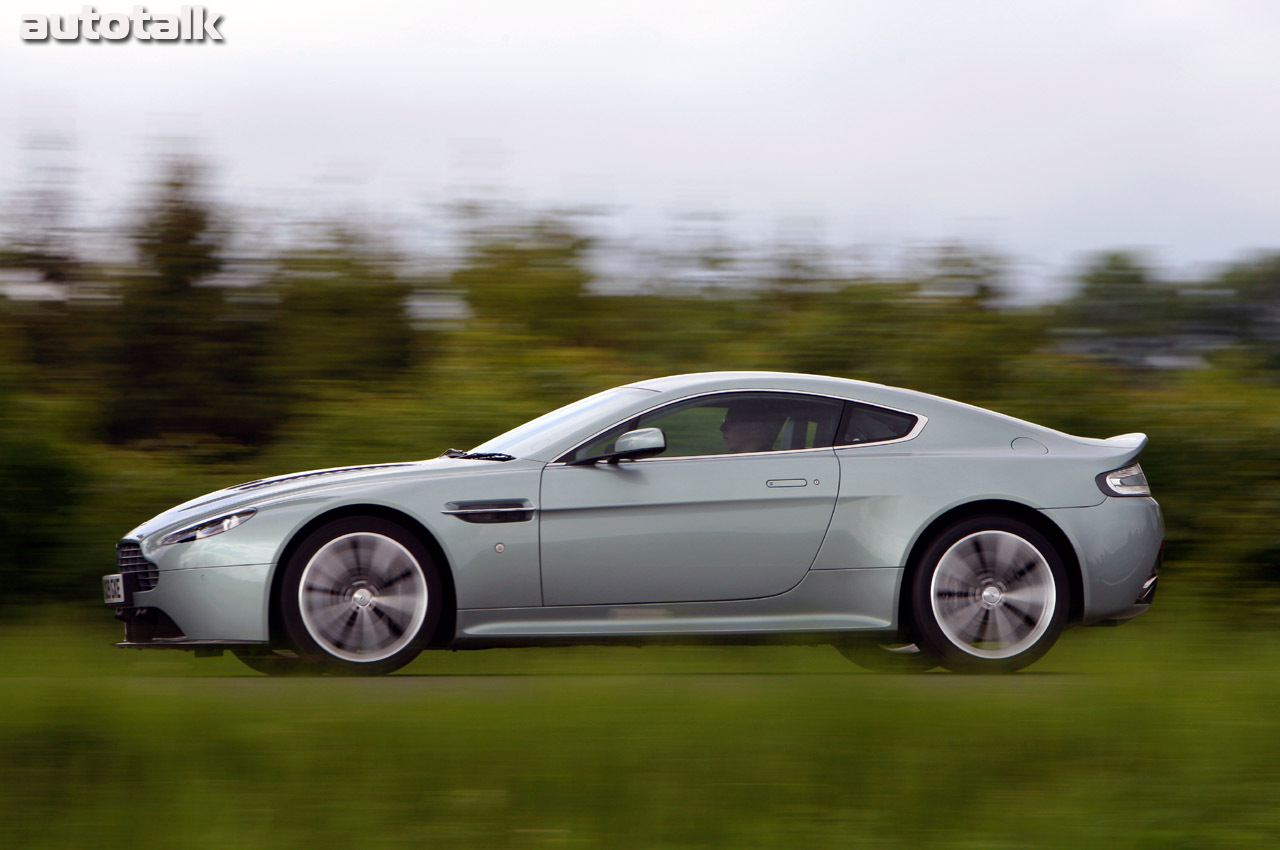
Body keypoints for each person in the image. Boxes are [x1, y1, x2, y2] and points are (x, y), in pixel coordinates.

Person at [720, 402, 787, 453]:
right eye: (724, 421)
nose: (722, 428)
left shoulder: (768, 464)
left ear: (755, 428)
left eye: (731, 421)